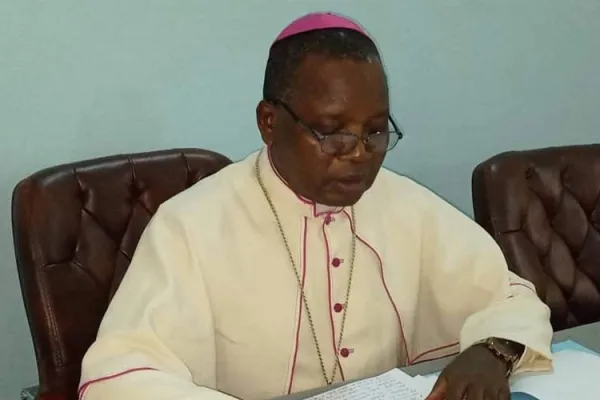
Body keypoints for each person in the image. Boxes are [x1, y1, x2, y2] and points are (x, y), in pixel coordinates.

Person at [79, 12, 552, 400]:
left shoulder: (405, 204)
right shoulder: (191, 225)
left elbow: (509, 296)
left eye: (375, 131)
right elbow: (123, 374)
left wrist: (493, 350)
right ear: (269, 122)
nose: (360, 155)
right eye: (333, 132)